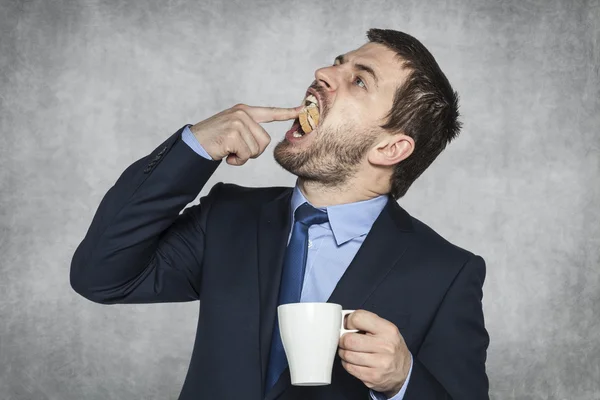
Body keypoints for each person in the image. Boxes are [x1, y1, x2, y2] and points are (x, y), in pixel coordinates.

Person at [70, 28, 489, 400]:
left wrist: (403, 381)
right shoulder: (228, 216)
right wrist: (193, 149)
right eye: (337, 63)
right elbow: (102, 277)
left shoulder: (447, 273)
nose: (323, 72)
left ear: (389, 148)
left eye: (359, 80)